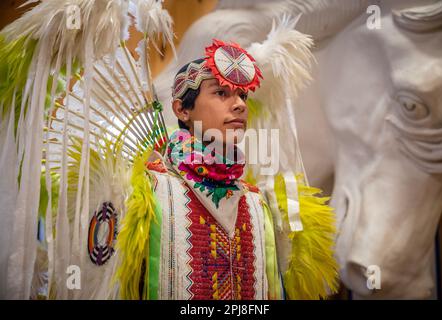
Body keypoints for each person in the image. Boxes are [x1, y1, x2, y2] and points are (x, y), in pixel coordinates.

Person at [115, 39, 338, 300]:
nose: (240, 105)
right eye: (221, 93)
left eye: (242, 95)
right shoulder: (145, 193)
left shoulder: (259, 203)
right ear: (182, 110)